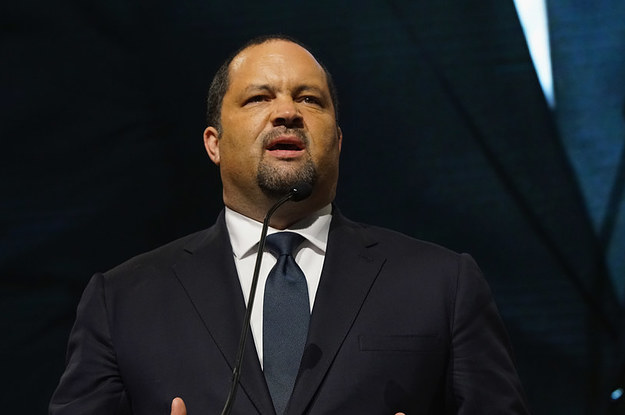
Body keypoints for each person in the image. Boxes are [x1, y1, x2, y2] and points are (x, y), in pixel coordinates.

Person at [50, 35, 529, 414]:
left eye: (310, 99)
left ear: (337, 141)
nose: (287, 113)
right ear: (214, 143)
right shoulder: (122, 300)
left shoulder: (442, 284)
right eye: (259, 97)